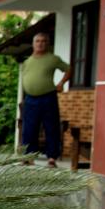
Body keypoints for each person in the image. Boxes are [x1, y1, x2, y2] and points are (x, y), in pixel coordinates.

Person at [21, 32, 71, 168]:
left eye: (43, 41)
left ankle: (52, 158)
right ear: (33, 44)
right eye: (37, 41)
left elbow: (68, 69)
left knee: (51, 127)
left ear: (47, 43)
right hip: (30, 99)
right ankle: (28, 157)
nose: (40, 43)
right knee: (29, 128)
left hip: (48, 97)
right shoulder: (27, 61)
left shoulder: (53, 59)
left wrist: (61, 83)